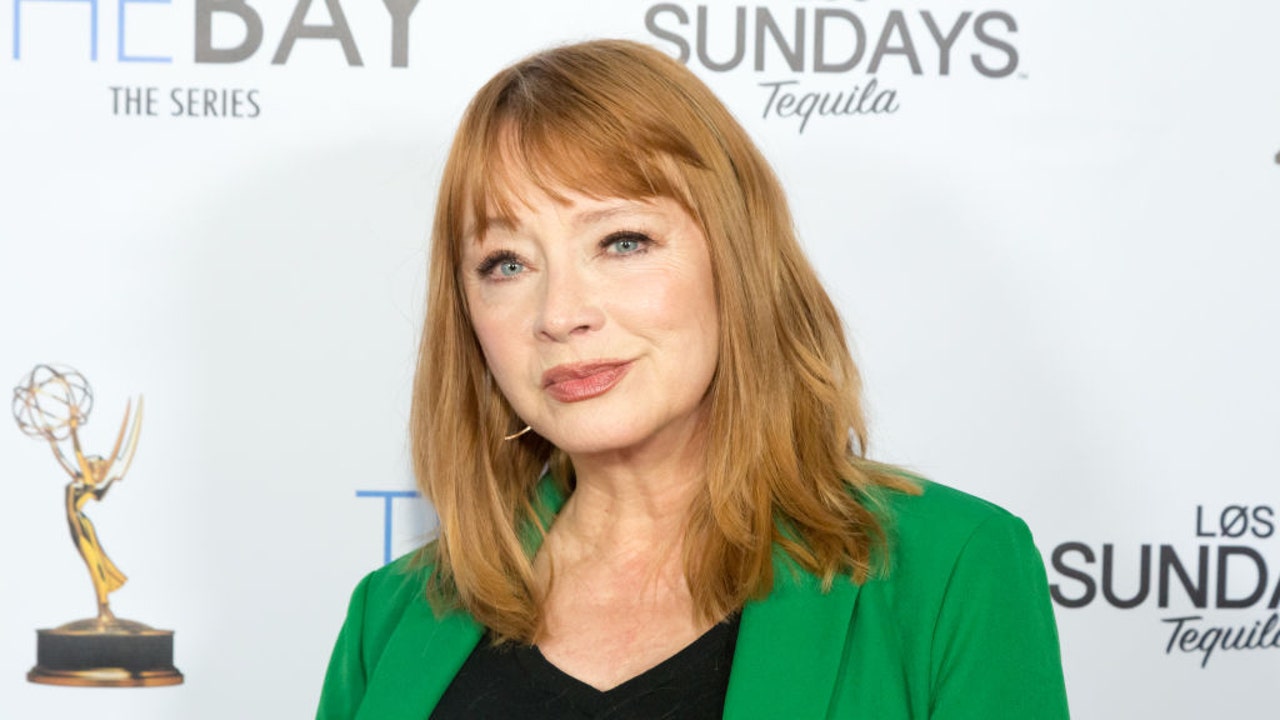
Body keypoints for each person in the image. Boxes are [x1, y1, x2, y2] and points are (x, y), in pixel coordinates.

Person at [317, 39, 1069, 719]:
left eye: (622, 241)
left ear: (735, 262)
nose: (559, 314)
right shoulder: (391, 616)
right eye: (506, 263)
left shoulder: (952, 569)